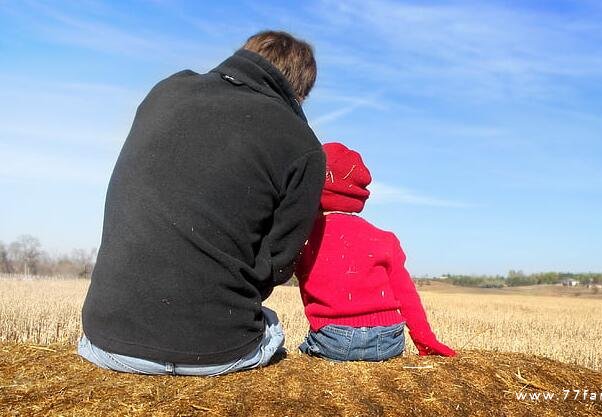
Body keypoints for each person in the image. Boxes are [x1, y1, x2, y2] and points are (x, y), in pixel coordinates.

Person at [78, 31, 326, 376]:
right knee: (271, 325)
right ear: (300, 92)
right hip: (215, 351)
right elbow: (279, 262)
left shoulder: (166, 90)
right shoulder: (304, 145)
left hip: (103, 340)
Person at [295, 142, 456, 361]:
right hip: (389, 338)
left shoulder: (305, 237)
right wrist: (425, 339)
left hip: (335, 338)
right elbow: (406, 294)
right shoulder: (385, 238)